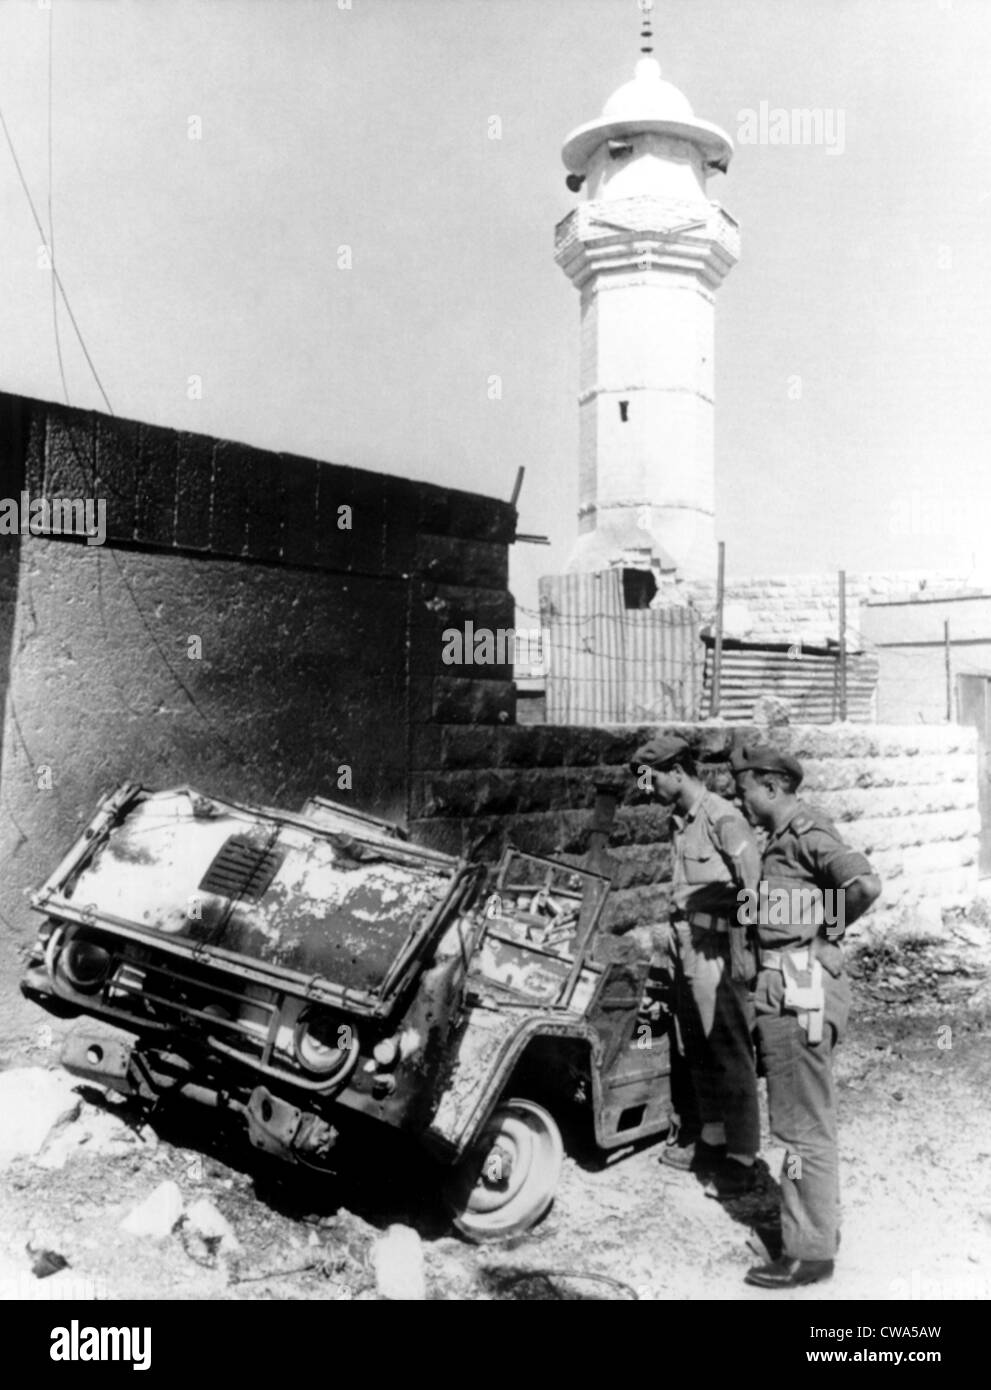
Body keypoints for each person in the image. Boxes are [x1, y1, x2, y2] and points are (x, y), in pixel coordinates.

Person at [731, 743, 881, 1290]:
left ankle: (808, 1251)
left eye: (744, 789)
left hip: (799, 985)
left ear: (771, 787)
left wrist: (826, 934)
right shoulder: (781, 840)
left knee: (799, 1128)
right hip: (787, 983)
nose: (740, 799)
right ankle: (815, 1229)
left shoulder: (806, 833)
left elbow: (863, 884)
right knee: (803, 1121)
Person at [630, 734, 762, 1196]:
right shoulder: (679, 821)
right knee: (696, 1047)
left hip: (718, 948)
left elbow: (754, 889)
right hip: (685, 943)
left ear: (678, 772)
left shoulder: (723, 817)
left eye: (654, 780)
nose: (649, 790)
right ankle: (712, 1137)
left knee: (730, 1049)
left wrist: (743, 953)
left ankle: (743, 1157)